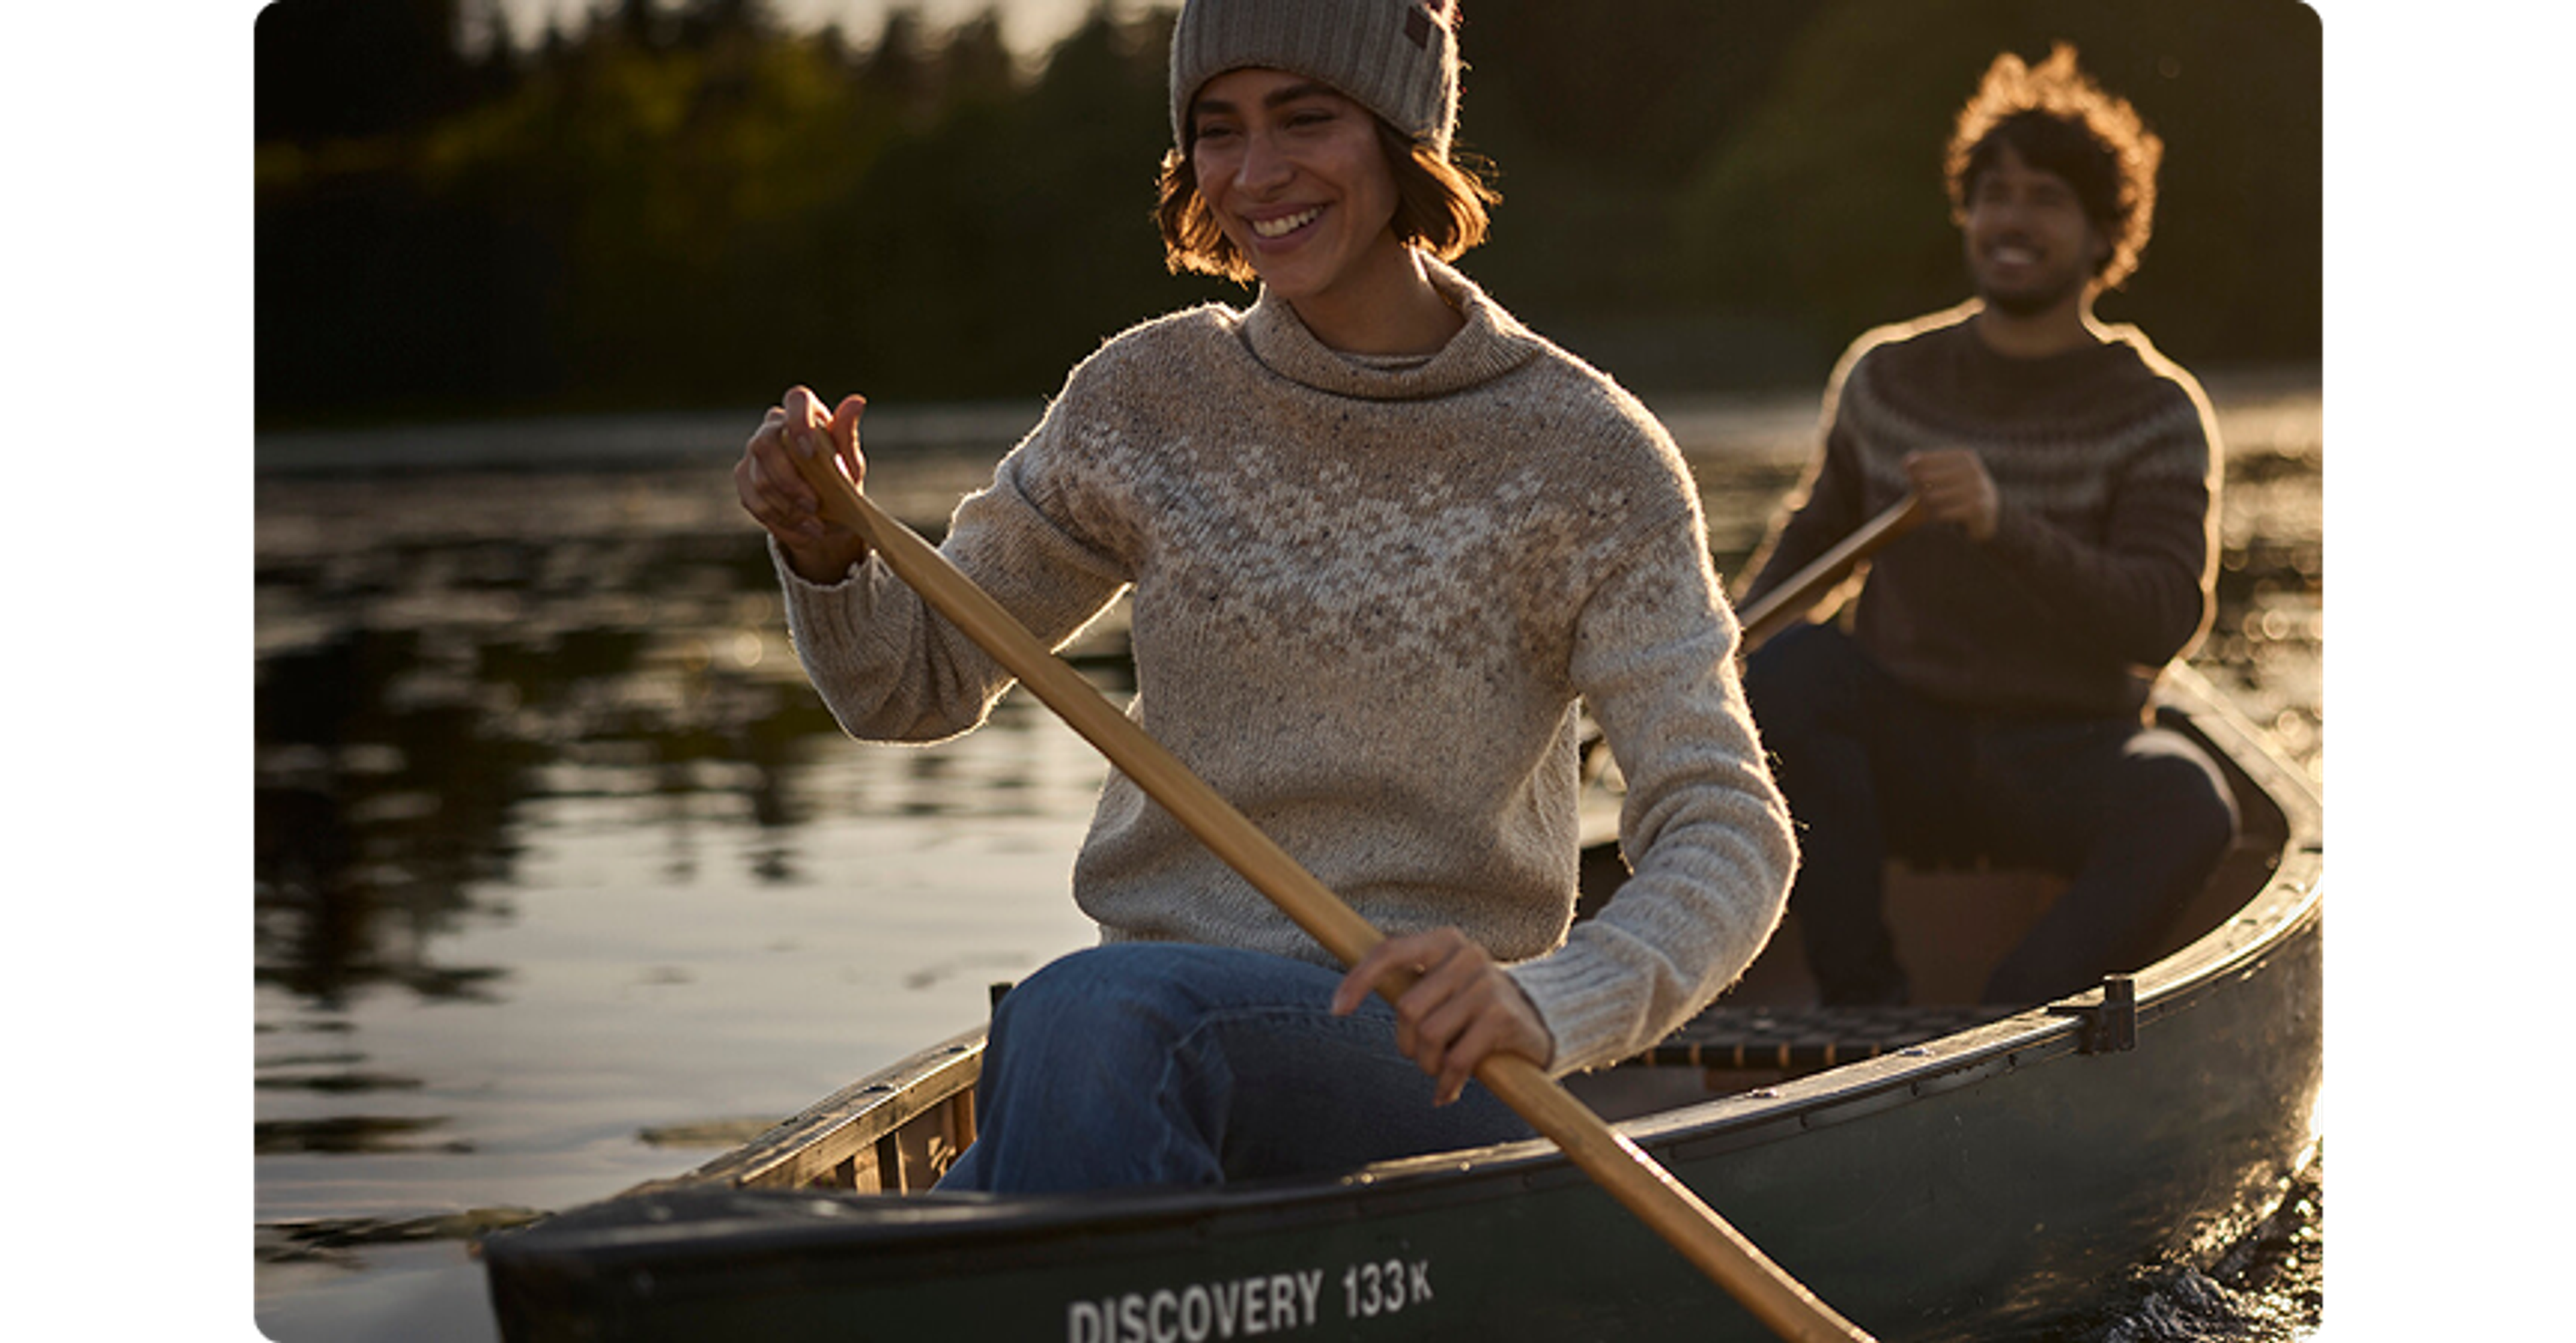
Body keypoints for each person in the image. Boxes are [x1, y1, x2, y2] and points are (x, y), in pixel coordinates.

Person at [733, 0, 1795, 1193]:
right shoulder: (1143, 401)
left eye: (1306, 119)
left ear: (1402, 136)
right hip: (1139, 1036)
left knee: (1081, 1017)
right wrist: (830, 552)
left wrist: (1554, 1003)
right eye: (1219, 130)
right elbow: (908, 686)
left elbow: (1727, 827)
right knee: (1079, 1033)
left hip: (1418, 1064)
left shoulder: (1590, 458)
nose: (1256, 173)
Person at [1737, 44, 2237, 1010]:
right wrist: (1704, 664)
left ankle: (2013, 1022)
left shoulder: (2155, 409)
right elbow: (1808, 551)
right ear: (1967, 210)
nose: (2013, 217)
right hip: (1904, 749)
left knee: (2189, 802)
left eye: (2047, 198)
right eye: (1995, 192)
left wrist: (2006, 525)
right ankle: (1862, 1000)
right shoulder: (1887, 375)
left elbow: (2164, 617)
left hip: (2064, 751)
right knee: (1783, 672)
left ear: (2103, 236)